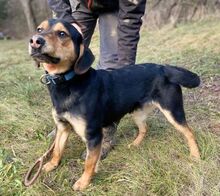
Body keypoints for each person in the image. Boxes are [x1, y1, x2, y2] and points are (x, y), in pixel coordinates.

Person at [47, 0, 147, 159]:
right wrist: (65, 19)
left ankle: (105, 132)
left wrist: (123, 71)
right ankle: (65, 118)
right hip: (82, 3)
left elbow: (131, 17)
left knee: (112, 67)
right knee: (63, 57)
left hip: (118, 7)